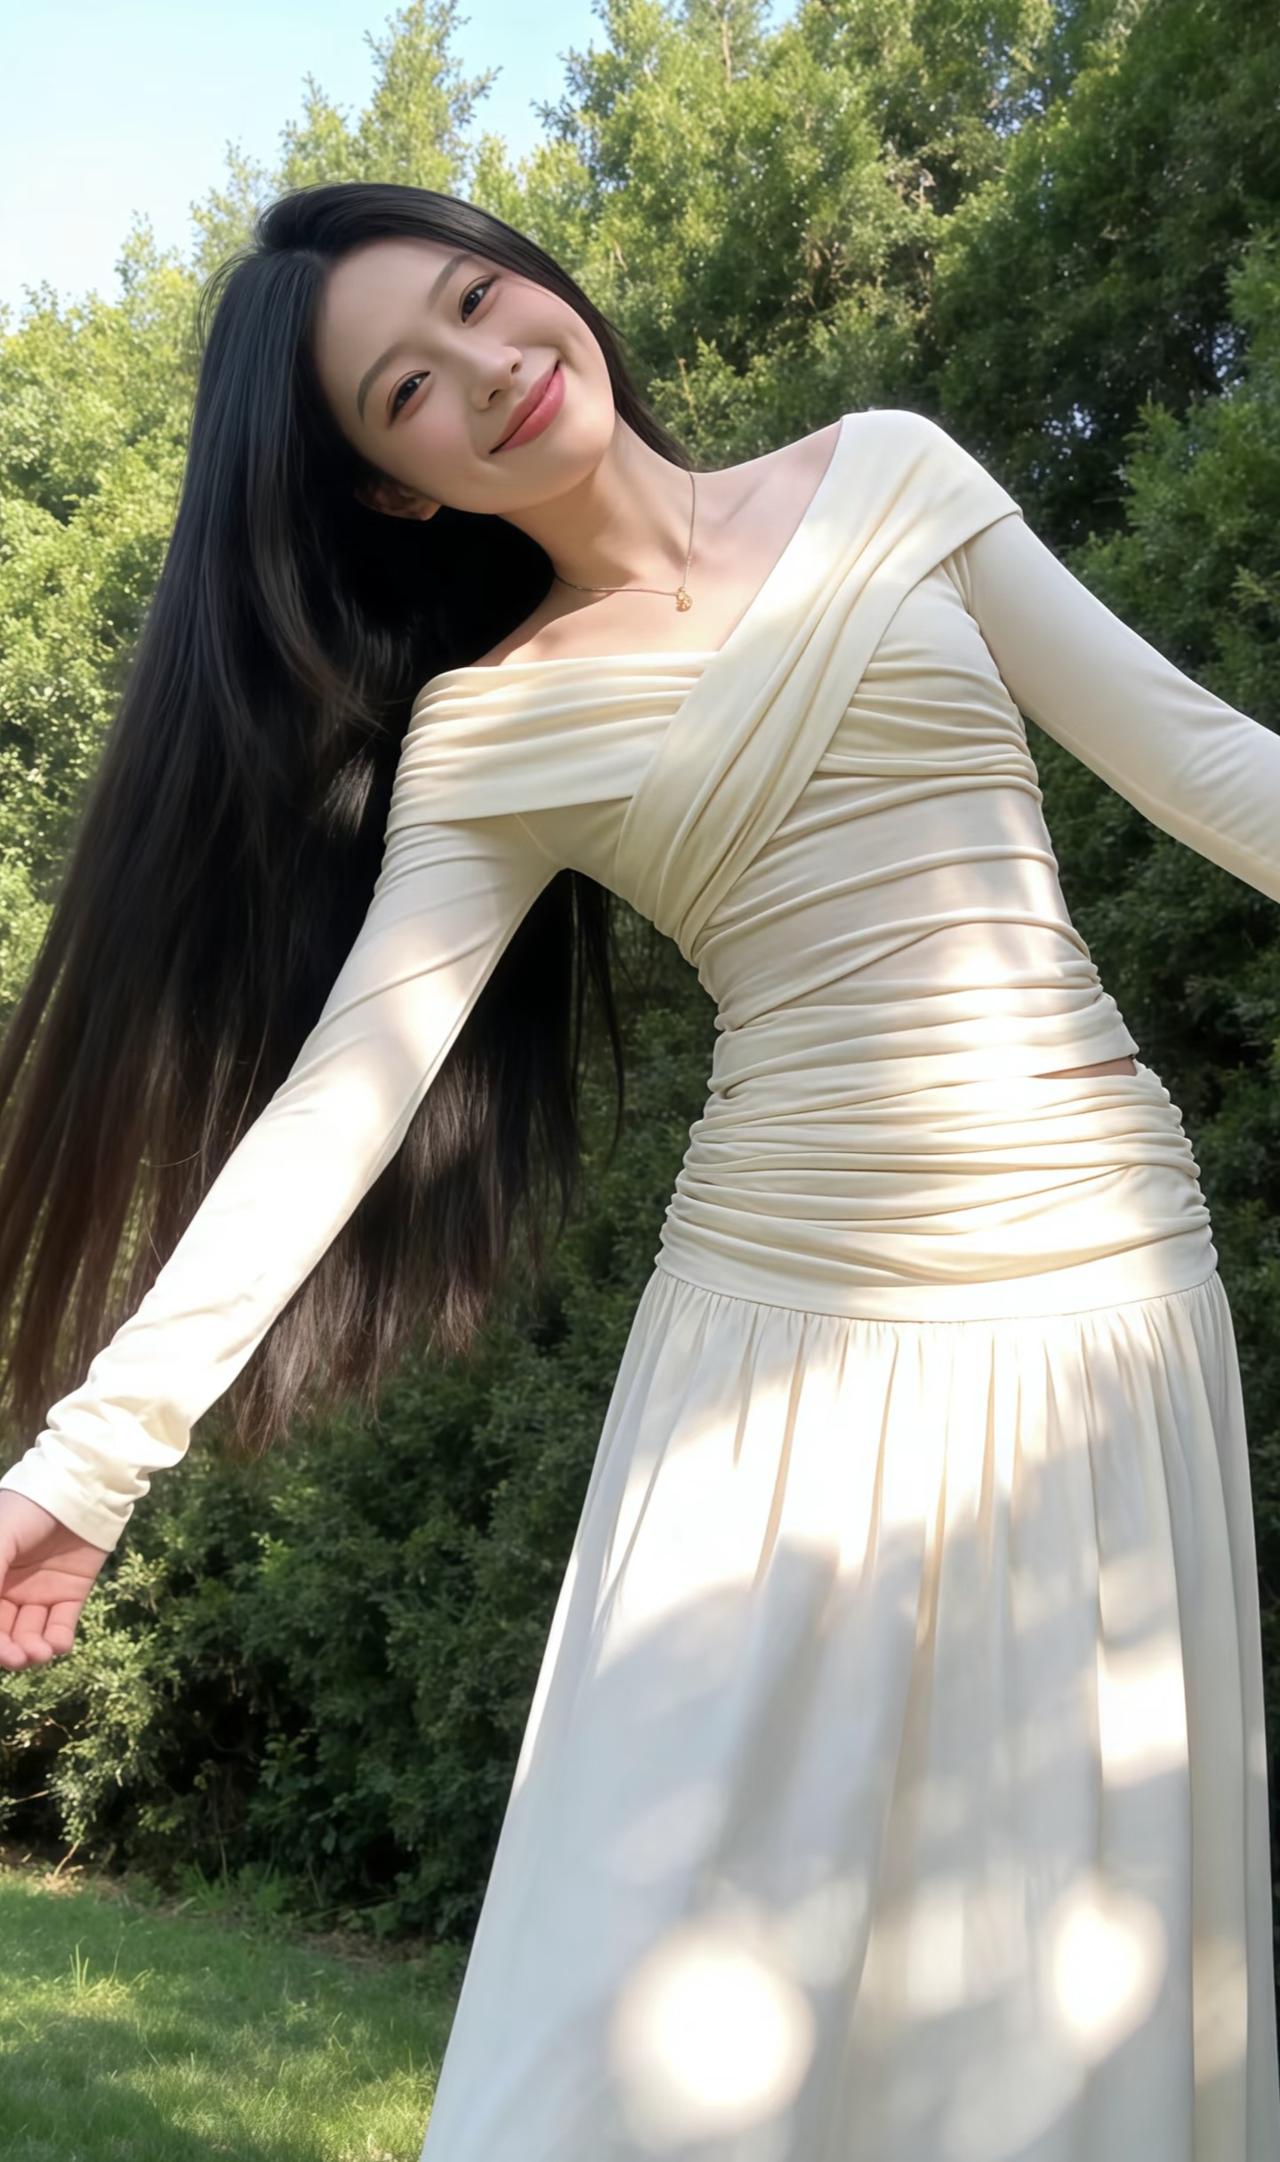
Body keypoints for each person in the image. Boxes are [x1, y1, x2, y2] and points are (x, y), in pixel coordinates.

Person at [0, 180, 1277, 2158]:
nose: (488, 367)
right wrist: (86, 1465)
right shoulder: (489, 730)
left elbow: (1201, 763)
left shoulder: (890, 471)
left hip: (1105, 1296)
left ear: (541, 283)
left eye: (479, 298)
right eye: (407, 390)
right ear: (397, 486)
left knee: (1054, 1983)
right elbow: (342, 1106)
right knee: (627, 2005)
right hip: (774, 1349)